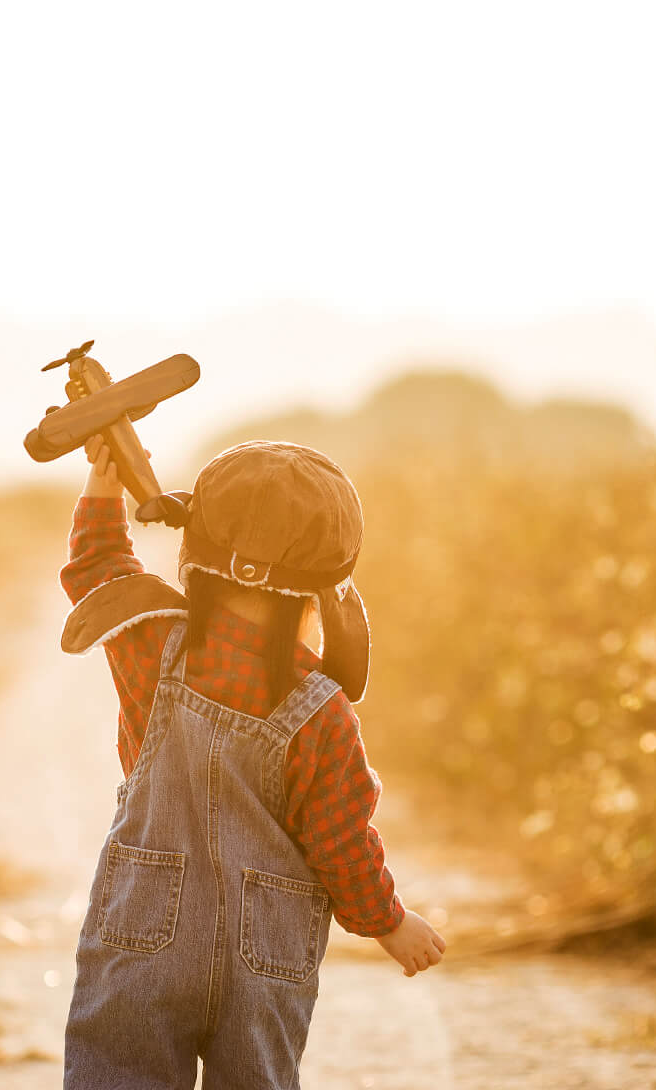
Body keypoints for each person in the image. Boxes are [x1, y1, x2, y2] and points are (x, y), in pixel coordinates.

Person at [59, 436, 445, 1088]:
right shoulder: (321, 708)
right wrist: (388, 922)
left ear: (191, 550)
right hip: (265, 955)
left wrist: (104, 488)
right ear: (324, 589)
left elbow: (99, 570)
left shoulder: (152, 645)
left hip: (143, 930)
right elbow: (340, 839)